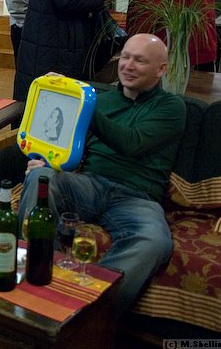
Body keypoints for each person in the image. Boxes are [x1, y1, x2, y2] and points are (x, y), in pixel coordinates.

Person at [18, 33, 186, 313]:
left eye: (140, 60)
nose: (128, 65)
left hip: (137, 198)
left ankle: (88, 310)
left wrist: (83, 106)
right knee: (40, 178)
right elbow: (67, 147)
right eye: (126, 57)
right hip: (90, 185)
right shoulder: (103, 100)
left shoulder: (172, 107)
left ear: (161, 69)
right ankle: (40, 274)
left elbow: (132, 143)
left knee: (155, 241)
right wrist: (48, 162)